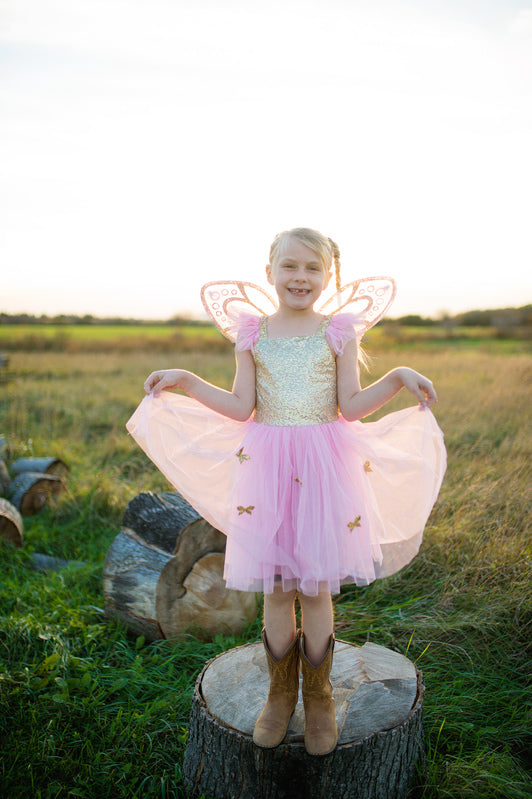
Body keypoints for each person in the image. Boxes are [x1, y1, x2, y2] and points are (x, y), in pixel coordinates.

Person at [126, 227, 446, 756]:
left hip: (324, 469)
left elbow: (349, 406)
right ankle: (280, 694)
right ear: (270, 271)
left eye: (313, 269)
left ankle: (317, 697)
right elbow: (239, 405)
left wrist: (396, 376)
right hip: (267, 470)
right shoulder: (253, 332)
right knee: (277, 587)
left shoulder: (338, 331)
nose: (301, 277)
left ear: (329, 277)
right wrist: (185, 378)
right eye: (290, 267)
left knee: (315, 588)